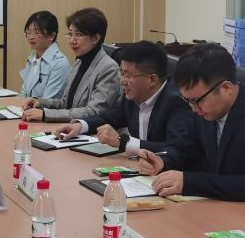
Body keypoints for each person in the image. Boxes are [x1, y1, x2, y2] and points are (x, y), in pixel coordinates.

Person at [138, 42, 245, 209]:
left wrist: (189, 182)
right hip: (221, 206)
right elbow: (186, 147)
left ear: (226, 88)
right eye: (187, 100)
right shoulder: (206, 107)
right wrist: (163, 161)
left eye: (196, 101)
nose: (193, 108)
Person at [54, 40, 187, 156]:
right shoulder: (134, 95)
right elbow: (111, 118)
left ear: (152, 79)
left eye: (128, 75)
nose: (122, 81)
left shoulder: (177, 102)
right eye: (122, 73)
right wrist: (81, 126)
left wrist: (123, 141)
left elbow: (176, 149)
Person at [21, 7, 121, 123]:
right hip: (71, 128)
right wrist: (40, 102)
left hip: (93, 131)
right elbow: (65, 103)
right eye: (70, 34)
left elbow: (93, 112)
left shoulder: (108, 68)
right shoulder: (79, 62)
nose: (72, 40)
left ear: (95, 38)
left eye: (78, 34)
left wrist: (45, 114)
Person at [19, 10, 71, 99]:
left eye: (36, 33)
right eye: (28, 33)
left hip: (42, 108)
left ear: (51, 36)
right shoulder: (32, 59)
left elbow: (48, 102)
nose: (31, 37)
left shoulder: (60, 64)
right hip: (27, 107)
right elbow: (24, 93)